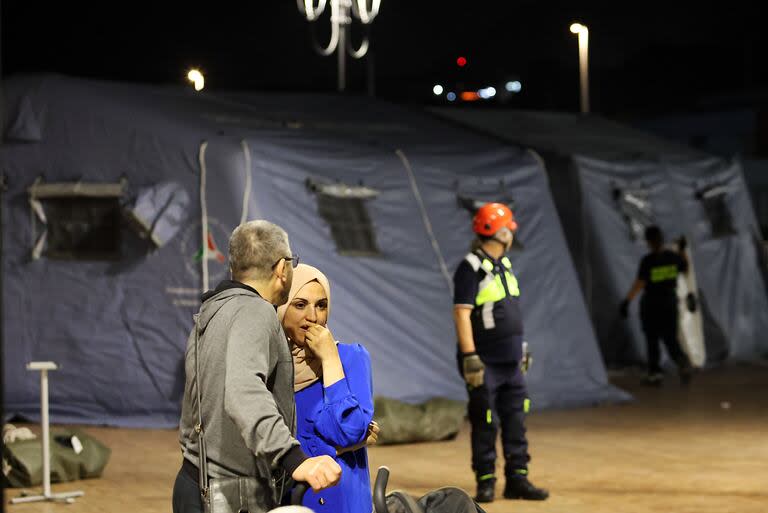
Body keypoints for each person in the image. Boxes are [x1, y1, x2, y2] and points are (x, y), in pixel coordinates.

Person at [173, 221, 341, 513]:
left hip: (193, 481)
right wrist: (292, 458)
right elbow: (243, 391)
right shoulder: (256, 312)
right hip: (229, 494)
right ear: (281, 269)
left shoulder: (211, 312)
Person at [452, 202, 549, 503]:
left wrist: (520, 348)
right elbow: (462, 313)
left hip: (510, 362)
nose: (512, 234)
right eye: (510, 229)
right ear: (501, 232)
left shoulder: (504, 265)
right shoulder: (471, 267)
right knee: (485, 420)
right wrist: (470, 356)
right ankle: (486, 481)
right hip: (485, 362)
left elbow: (508, 313)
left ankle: (517, 480)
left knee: (516, 419)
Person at [277, 264, 377, 513]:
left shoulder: (351, 357)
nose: (313, 316)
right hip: (293, 500)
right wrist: (332, 449)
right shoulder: (270, 367)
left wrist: (330, 359)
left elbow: (350, 431)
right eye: (300, 305)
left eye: (321, 305)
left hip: (345, 501)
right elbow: (272, 442)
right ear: (281, 307)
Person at [620, 225, 693, 386]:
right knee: (671, 339)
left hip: (652, 305)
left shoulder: (648, 261)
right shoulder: (673, 257)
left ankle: (655, 374)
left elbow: (639, 284)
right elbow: (685, 268)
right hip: (670, 302)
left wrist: (627, 301)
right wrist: (682, 250)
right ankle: (682, 362)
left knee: (652, 339)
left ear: (649, 242)